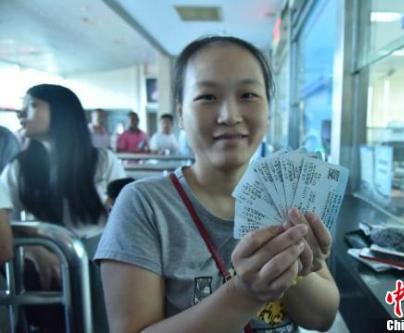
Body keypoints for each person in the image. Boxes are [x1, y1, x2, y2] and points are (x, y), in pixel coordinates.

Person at [95, 36, 339, 333]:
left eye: (248, 95)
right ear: (181, 113)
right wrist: (243, 293)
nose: (230, 116)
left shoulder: (288, 193)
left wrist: (297, 268)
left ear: (268, 109)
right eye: (207, 97)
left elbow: (322, 318)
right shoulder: (144, 206)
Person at [0, 84, 126, 332]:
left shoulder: (102, 161)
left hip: (101, 259)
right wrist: (36, 248)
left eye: (32, 105)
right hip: (47, 263)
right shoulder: (19, 168)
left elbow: (123, 215)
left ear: (62, 113)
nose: (21, 113)